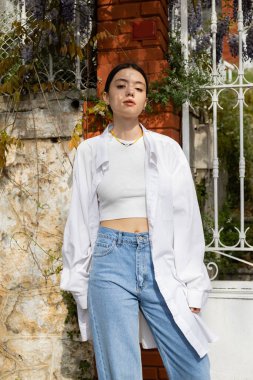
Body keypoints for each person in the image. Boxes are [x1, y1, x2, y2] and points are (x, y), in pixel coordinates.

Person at [60, 62, 217, 380]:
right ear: (106, 97)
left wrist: (194, 286)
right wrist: (78, 282)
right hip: (108, 262)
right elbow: (78, 217)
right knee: (121, 372)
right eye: (120, 85)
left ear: (145, 100)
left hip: (159, 262)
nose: (129, 91)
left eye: (139, 87)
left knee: (194, 366)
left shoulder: (167, 150)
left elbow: (186, 219)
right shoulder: (90, 151)